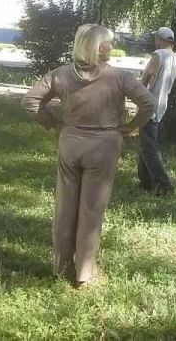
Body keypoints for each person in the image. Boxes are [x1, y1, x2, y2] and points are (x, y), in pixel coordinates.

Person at [22, 24, 156, 288]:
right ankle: (84, 272)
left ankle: (60, 266)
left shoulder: (60, 74)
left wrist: (53, 123)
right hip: (104, 146)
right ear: (97, 46)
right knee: (91, 210)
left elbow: (30, 101)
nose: (111, 47)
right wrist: (132, 126)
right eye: (108, 43)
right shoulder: (119, 77)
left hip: (70, 143)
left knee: (65, 207)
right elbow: (149, 102)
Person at [138, 27, 176, 195]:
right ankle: (145, 182)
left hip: (149, 103)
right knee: (146, 143)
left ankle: (164, 186)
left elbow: (148, 74)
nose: (155, 41)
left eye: (157, 38)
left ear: (162, 39)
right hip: (161, 103)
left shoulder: (158, 54)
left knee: (149, 147)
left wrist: (138, 92)